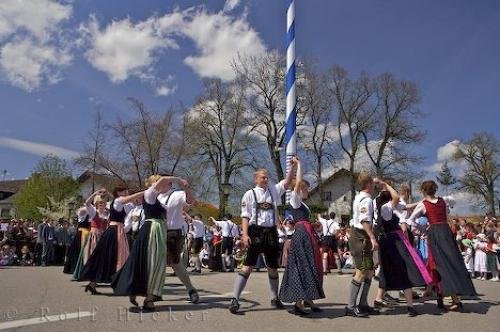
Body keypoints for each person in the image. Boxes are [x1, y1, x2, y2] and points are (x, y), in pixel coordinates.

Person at [113, 175, 187, 311]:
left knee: (150, 261)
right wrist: (178, 179)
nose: (165, 183)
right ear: (152, 184)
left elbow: (177, 208)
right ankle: (148, 298)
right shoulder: (149, 193)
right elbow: (163, 181)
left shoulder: (157, 198)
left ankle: (139, 291)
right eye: (158, 181)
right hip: (153, 229)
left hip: (156, 229)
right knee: (154, 262)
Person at [228, 165, 295, 314]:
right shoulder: (249, 194)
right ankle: (235, 299)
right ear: (256, 179)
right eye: (263, 177)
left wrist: (294, 167)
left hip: (271, 232)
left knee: (272, 266)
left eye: (267, 177)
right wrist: (245, 235)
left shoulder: (274, 191)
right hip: (255, 231)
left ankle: (274, 298)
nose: (266, 179)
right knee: (248, 266)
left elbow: (288, 182)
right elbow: (245, 216)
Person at [407, 180, 477, 311]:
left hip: (434, 233)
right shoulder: (443, 201)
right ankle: (441, 297)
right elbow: (450, 206)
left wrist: (421, 229)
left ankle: (455, 300)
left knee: (440, 265)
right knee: (449, 262)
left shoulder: (423, 204)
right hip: (445, 231)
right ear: (435, 190)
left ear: (423, 191)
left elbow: (410, 220)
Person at [372, 179, 432, 317]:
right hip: (394, 241)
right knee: (405, 269)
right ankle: (410, 306)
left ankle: (378, 299)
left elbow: (405, 206)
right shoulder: (386, 207)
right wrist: (385, 184)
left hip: (388, 241)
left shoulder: (389, 207)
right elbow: (397, 198)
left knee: (387, 271)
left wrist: (422, 202)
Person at [279, 157, 324, 316]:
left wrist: (315, 226)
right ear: (301, 188)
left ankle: (308, 299)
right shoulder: (295, 198)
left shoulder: (303, 205)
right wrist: (299, 165)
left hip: (306, 234)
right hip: (301, 236)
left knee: (309, 265)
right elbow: (297, 183)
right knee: (302, 266)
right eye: (307, 188)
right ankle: (299, 304)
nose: (308, 191)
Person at [79, 186, 139, 294]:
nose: (127, 192)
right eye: (124, 191)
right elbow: (124, 199)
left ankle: (94, 284)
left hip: (115, 231)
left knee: (109, 258)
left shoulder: (120, 203)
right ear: (119, 193)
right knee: (116, 257)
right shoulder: (119, 201)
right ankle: (118, 285)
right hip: (114, 232)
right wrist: (145, 192)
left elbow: (127, 202)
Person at [156, 176, 200, 303]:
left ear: (169, 184)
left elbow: (191, 201)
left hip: (173, 232)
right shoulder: (156, 196)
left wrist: (185, 187)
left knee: (175, 263)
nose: (159, 184)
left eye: (162, 182)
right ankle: (156, 291)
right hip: (157, 232)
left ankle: (191, 289)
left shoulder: (178, 194)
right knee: (157, 263)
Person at [345, 173, 378, 318]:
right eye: (372, 183)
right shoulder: (366, 199)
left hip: (360, 234)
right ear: (369, 184)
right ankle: (350, 306)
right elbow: (365, 220)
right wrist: (372, 237)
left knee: (370, 271)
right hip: (361, 236)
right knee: (362, 270)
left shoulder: (360, 196)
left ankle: (363, 303)